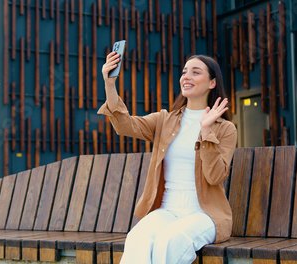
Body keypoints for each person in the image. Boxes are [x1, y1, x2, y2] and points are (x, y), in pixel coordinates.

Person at [98, 52, 237, 264]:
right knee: (137, 238)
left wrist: (207, 131)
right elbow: (126, 126)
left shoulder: (225, 129)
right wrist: (110, 85)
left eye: (195, 72)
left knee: (170, 241)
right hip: (167, 209)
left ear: (212, 83)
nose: (186, 76)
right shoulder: (165, 120)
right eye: (184, 72)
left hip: (204, 214)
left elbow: (215, 176)